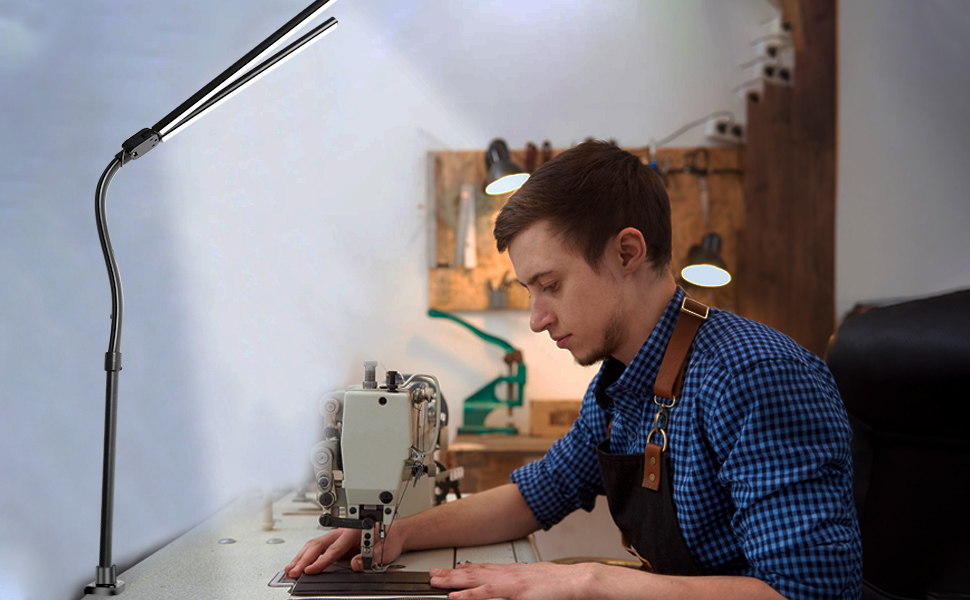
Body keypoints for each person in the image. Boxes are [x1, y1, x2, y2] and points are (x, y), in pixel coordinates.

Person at [286, 141, 863, 600]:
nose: (537, 319)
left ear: (627, 252)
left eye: (550, 285)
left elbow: (808, 593)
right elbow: (532, 498)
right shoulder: (620, 386)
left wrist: (590, 581)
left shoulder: (753, 376)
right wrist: (400, 533)